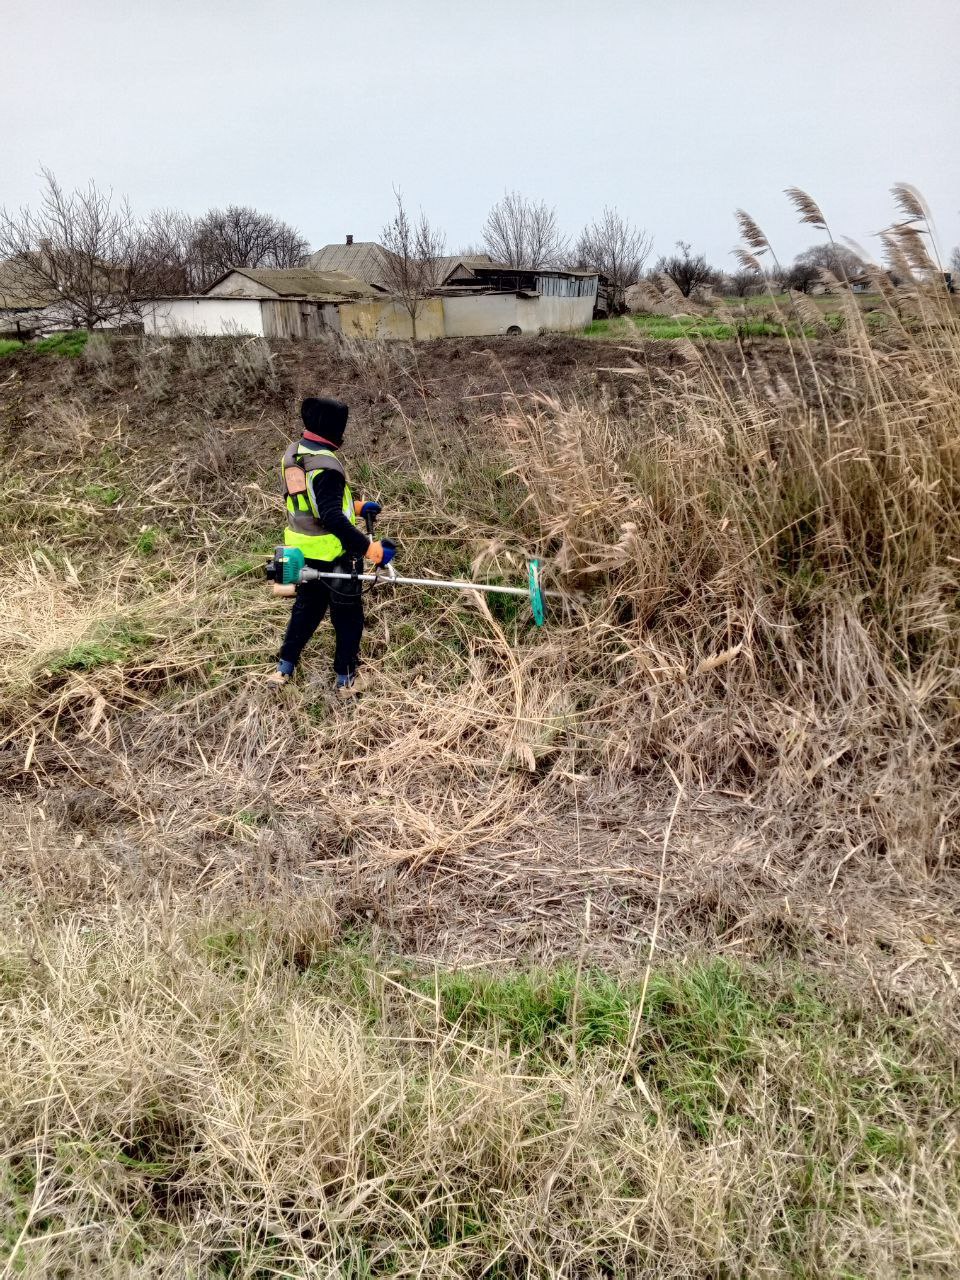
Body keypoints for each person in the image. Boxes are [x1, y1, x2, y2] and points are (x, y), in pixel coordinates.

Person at [267, 396, 393, 690]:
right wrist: (371, 549)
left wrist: (358, 507)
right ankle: (345, 677)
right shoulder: (327, 467)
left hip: (303, 549)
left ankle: (284, 666)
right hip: (335, 552)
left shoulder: (295, 454)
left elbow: (308, 503)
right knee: (347, 615)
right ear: (333, 430)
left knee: (307, 608)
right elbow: (333, 518)